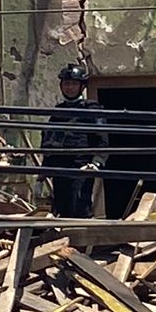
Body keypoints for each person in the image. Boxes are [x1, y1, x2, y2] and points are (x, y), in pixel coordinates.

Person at [40, 63, 109, 218]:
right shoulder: (58, 112)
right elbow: (49, 138)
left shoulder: (91, 110)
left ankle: (81, 239)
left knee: (79, 205)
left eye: (73, 84)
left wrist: (96, 162)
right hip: (59, 168)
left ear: (82, 86)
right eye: (66, 84)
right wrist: (45, 167)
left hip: (81, 167)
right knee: (61, 206)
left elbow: (102, 139)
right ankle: (63, 239)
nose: (69, 87)